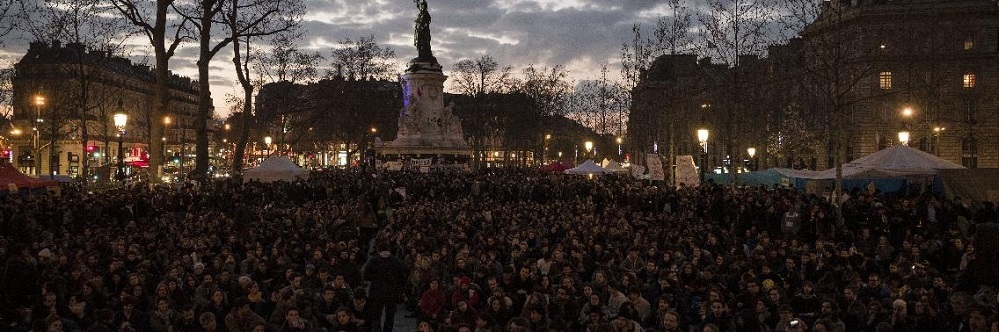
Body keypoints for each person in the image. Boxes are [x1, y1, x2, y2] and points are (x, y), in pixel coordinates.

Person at [362, 245, 408, 332]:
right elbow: (403, 276)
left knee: (376, 316)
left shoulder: (374, 261)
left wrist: (376, 277)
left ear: (378, 250)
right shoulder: (396, 261)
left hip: (376, 292)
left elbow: (365, 276)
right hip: (392, 293)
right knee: (390, 316)